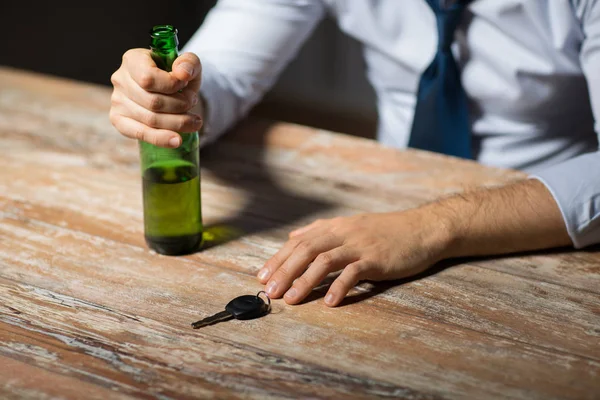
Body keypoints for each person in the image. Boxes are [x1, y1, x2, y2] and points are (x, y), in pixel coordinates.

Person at [109, 0, 600, 307]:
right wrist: (174, 100)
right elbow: (227, 75)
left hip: (549, 220)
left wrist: (433, 227)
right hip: (384, 196)